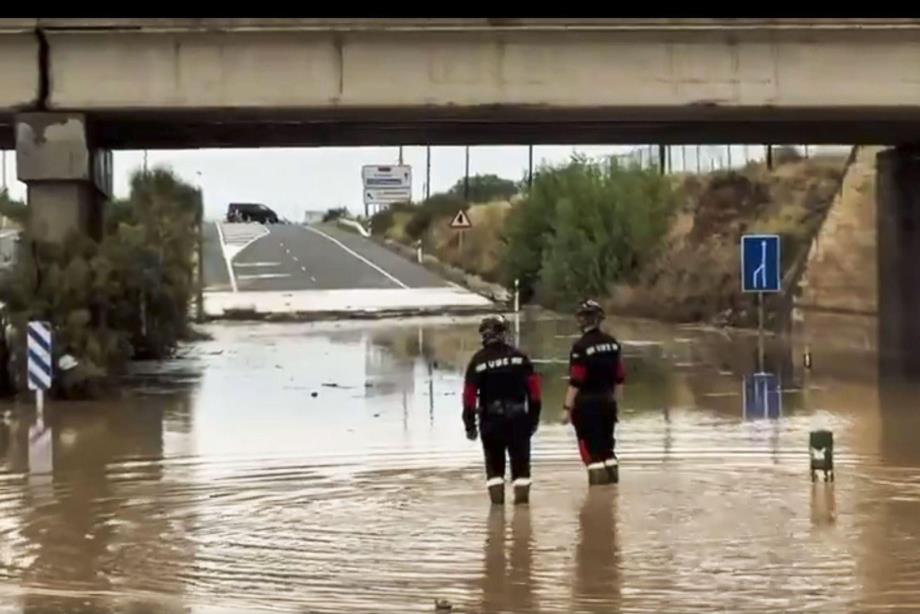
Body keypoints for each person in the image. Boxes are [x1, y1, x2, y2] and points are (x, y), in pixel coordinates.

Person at [463, 315, 542, 505]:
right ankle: (523, 517)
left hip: (491, 421)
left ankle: (496, 516)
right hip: (518, 419)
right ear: (504, 333)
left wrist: (469, 425)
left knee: (494, 471)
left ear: (484, 335)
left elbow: (469, 397)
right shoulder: (519, 358)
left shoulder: (478, 361)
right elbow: (535, 393)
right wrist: (533, 419)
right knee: (521, 470)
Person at [561, 299, 626, 485]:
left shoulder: (580, 347)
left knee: (591, 452)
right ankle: (612, 496)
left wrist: (567, 408)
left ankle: (597, 503)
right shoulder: (613, 344)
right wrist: (616, 405)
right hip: (608, 402)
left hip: (586, 405)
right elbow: (620, 377)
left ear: (581, 320)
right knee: (607, 450)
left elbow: (576, 381)